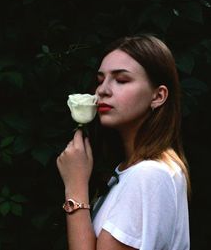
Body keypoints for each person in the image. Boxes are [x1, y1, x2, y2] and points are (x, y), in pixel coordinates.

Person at [56, 34, 191, 250]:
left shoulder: (149, 175)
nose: (102, 90)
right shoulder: (131, 171)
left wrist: (75, 187)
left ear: (158, 96)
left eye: (121, 80)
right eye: (101, 80)